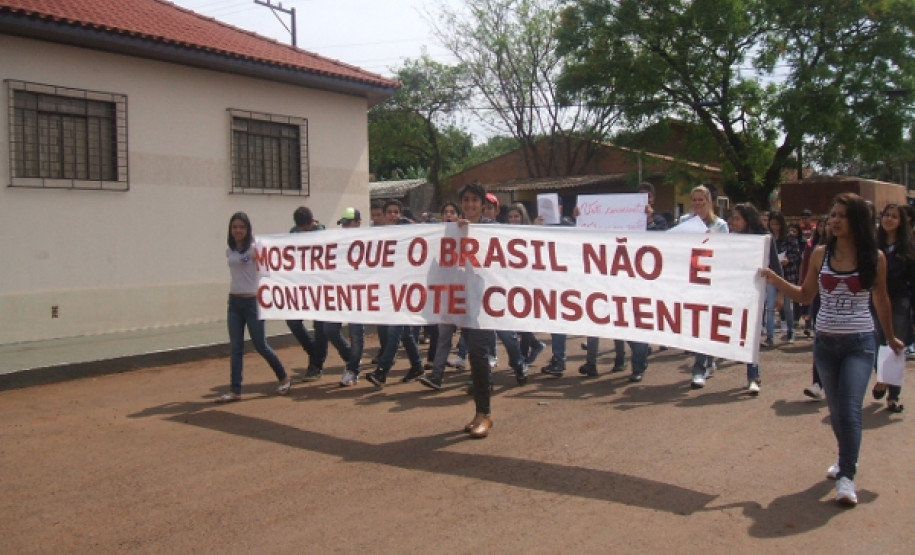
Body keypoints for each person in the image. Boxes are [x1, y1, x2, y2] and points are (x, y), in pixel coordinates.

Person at [762, 192, 904, 507]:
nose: (835, 220)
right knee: (837, 411)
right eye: (833, 214)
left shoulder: (874, 258)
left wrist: (890, 338)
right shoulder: (820, 255)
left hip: (860, 343)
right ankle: (843, 458)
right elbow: (805, 294)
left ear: (856, 221)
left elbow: (881, 300)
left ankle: (846, 477)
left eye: (842, 215)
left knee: (851, 410)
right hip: (825, 344)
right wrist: (775, 279)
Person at [218, 212, 292, 402]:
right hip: (234, 302)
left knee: (260, 344)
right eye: (235, 227)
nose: (238, 231)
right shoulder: (230, 250)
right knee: (236, 347)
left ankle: (283, 377)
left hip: (253, 302)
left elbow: (266, 269)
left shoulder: (255, 248)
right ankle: (235, 391)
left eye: (242, 227)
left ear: (248, 229)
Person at [456, 182, 497, 438]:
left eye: (474, 200)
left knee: (480, 356)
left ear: (483, 204)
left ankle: (485, 413)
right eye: (466, 200)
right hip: (462, 302)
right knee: (474, 355)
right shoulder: (455, 230)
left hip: (486, 303)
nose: (470, 204)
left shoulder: (492, 230)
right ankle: (479, 412)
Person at [677, 185, 728, 388]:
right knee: (695, 324)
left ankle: (699, 368)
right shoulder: (684, 222)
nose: (698, 204)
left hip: (711, 281)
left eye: (702, 200)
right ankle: (706, 359)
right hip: (690, 280)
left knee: (706, 322)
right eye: (695, 200)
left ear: (709, 202)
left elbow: (725, 252)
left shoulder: (721, 225)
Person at [728, 203, 782, 395]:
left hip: (756, 293)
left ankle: (753, 375)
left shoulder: (765, 239)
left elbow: (775, 264)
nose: (733, 222)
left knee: (752, 334)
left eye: (737, 218)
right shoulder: (731, 240)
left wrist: (780, 293)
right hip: (735, 292)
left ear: (748, 219)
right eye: (732, 218)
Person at [871, 203, 915, 412]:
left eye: (894, 216)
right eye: (887, 215)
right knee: (877, 343)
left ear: (902, 222)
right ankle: (882, 378)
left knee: (896, 346)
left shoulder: (908, 247)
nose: (889, 219)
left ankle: (893, 396)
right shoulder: (873, 245)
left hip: (899, 300)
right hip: (876, 300)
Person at [285, 206, 328, 381]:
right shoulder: (293, 233)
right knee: (293, 322)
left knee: (320, 327)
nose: (303, 233)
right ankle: (315, 353)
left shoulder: (324, 235)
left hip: (320, 287)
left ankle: (315, 365)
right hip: (300, 287)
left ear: (312, 222)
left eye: (306, 230)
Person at [325, 208, 365, 387]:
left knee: (356, 334)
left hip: (359, 294)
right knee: (330, 329)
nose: (347, 227)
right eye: (344, 224)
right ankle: (352, 358)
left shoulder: (370, 241)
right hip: (340, 293)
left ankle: (353, 369)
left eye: (350, 223)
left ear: (358, 223)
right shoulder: (338, 243)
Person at [768, 211, 801, 344]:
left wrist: (788, 259)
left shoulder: (790, 237)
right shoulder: (768, 237)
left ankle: (790, 331)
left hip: (787, 274)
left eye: (777, 224)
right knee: (770, 305)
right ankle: (770, 336)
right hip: (771, 274)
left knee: (787, 306)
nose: (775, 227)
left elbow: (796, 254)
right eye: (772, 224)